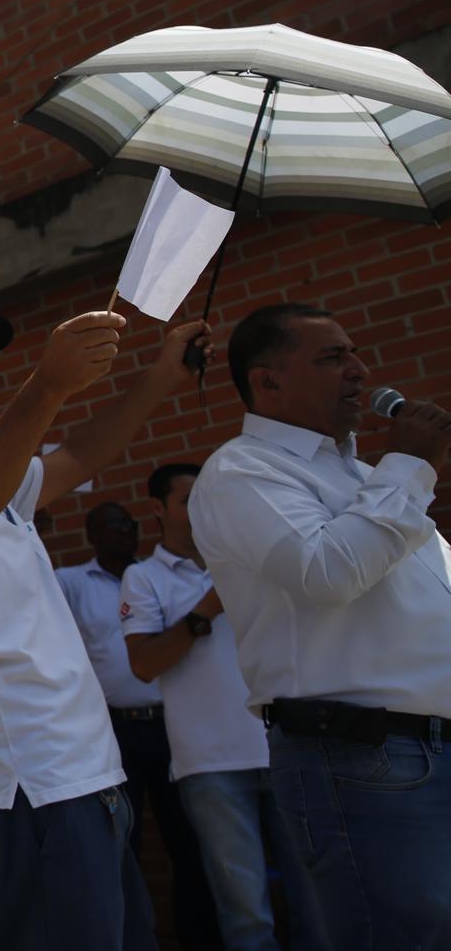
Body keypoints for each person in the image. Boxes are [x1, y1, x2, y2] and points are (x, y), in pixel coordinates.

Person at [0, 310, 206, 951]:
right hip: (28, 789)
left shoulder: (2, 488)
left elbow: (79, 453)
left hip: (83, 781)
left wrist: (161, 373)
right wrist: (47, 385)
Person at [189, 304, 451, 949]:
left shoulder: (367, 477)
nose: (360, 371)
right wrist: (412, 467)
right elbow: (328, 571)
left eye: (355, 354)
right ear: (267, 382)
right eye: (332, 358)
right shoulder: (241, 471)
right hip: (364, 756)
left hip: (429, 746)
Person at [122, 462, 323, 951]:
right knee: (246, 914)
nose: (201, 509)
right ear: (158, 510)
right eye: (188, 500)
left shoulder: (249, 560)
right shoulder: (144, 578)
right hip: (210, 765)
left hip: (285, 749)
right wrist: (204, 611)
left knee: (317, 903)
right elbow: (144, 664)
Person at [56, 502, 219, 951]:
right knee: (124, 842)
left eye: (129, 524)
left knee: (187, 840)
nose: (125, 531)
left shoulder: (151, 578)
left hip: (171, 724)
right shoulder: (72, 583)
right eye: (113, 525)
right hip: (116, 730)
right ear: (91, 533)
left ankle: (199, 939)